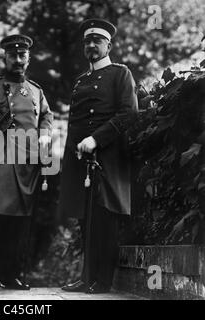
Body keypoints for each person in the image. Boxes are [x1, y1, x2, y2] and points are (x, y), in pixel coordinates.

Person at [0, 34, 53, 291]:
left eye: (22, 55)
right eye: (12, 55)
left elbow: (46, 117)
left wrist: (46, 135)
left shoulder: (36, 91)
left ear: (28, 58)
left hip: (28, 165)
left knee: (20, 222)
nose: (17, 59)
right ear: (4, 57)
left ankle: (13, 275)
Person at [58, 19, 138, 294]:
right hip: (81, 161)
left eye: (97, 41)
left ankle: (102, 281)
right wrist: (70, 159)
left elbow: (129, 114)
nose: (91, 45)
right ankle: (86, 277)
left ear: (109, 45)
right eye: (87, 42)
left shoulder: (120, 74)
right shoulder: (80, 82)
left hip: (109, 158)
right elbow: (74, 125)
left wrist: (96, 139)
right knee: (85, 220)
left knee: (105, 220)